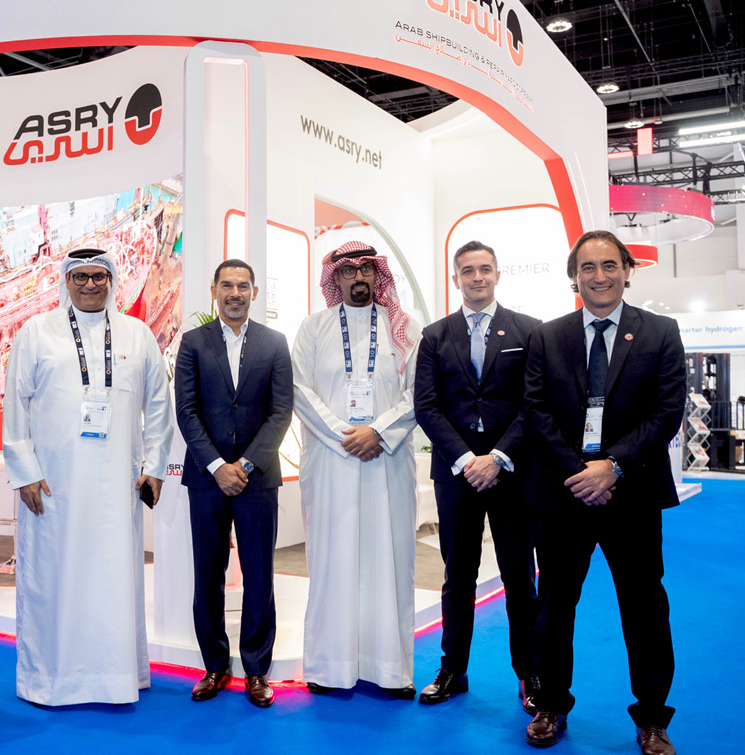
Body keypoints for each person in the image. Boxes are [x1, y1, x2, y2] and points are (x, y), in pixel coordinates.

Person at [522, 231, 685, 755]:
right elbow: (536, 411)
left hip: (632, 495)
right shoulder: (548, 336)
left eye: (609, 265)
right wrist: (580, 472)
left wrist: (612, 467)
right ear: (574, 276)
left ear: (627, 270)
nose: (599, 276)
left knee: (644, 610)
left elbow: (666, 411)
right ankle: (550, 705)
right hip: (562, 493)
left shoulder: (660, 332)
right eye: (587, 267)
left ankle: (653, 718)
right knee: (554, 608)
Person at [3, 247, 173, 705]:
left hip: (118, 485)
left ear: (111, 280)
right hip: (53, 485)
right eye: (81, 277)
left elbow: (160, 406)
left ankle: (116, 676)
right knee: (54, 577)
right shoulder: (36, 332)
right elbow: (16, 405)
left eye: (99, 277)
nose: (90, 285)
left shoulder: (137, 334)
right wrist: (24, 472)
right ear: (67, 281)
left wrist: (155, 467)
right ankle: (50, 679)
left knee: (114, 578)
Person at [413, 240, 540, 711]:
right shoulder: (435, 335)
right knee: (457, 576)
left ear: (497, 274)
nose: (477, 277)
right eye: (468, 270)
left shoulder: (529, 331)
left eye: (485, 269)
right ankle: (453, 669)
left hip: (512, 473)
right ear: (456, 278)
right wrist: (468, 459)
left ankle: (531, 673)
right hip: (456, 474)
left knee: (519, 577)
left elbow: (535, 403)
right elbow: (426, 406)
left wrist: (498, 456)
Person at [291, 242, 421, 698]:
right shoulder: (313, 328)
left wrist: (378, 432)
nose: (359, 277)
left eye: (367, 269)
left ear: (377, 274)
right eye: (349, 271)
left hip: (388, 462)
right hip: (332, 463)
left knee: (390, 561)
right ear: (336, 278)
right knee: (333, 560)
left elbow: (419, 394)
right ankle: (330, 667)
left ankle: (390, 670)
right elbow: (299, 390)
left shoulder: (405, 329)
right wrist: (345, 435)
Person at [174, 259, 294, 708]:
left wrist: (242, 465)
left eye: (243, 286)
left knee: (259, 574)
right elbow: (186, 411)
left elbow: (281, 411)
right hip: (207, 480)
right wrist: (216, 467)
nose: (235, 293)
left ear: (254, 293)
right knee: (208, 574)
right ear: (214, 290)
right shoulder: (192, 342)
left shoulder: (275, 343)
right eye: (227, 285)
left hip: (257, 478)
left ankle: (257, 670)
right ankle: (214, 666)